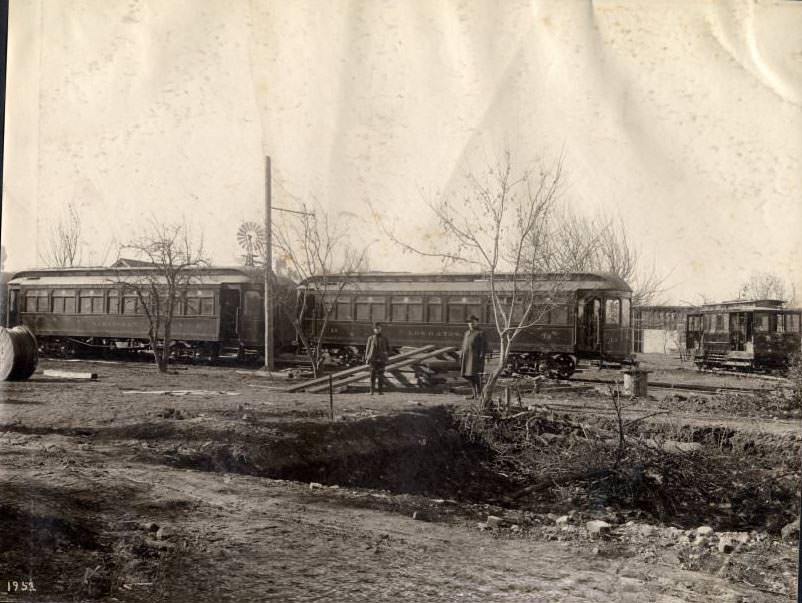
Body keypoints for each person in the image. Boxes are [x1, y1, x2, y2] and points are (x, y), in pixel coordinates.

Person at [460, 314, 487, 400]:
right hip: (467, 357)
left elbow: (483, 346)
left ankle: (479, 395)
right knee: (468, 376)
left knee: (476, 376)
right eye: (469, 322)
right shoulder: (466, 333)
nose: (471, 324)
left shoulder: (480, 333)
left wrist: (481, 356)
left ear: (476, 322)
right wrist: (462, 353)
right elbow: (464, 344)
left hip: (475, 358)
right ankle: (474, 394)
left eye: (473, 322)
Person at [365, 322, 391, 395]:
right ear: (373, 330)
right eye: (376, 329)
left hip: (381, 360)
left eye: (378, 328)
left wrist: (386, 354)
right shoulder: (370, 338)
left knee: (381, 376)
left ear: (381, 329)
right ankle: (371, 391)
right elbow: (367, 349)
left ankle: (380, 391)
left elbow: (388, 348)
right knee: (372, 376)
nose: (377, 330)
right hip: (373, 360)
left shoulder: (385, 338)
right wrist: (366, 358)